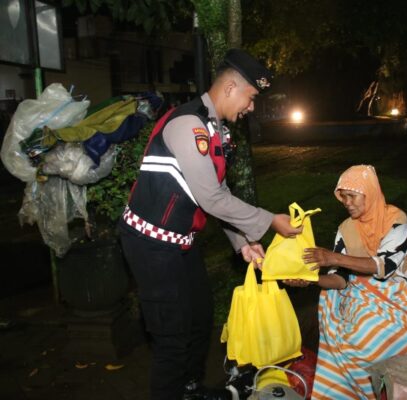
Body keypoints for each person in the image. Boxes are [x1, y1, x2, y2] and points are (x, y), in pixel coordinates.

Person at [118, 48, 302, 400]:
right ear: (231, 87)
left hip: (180, 242)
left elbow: (218, 192)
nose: (250, 107)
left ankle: (190, 390)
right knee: (172, 336)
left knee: (200, 318)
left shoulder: (214, 129)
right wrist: (268, 221)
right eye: (251, 97)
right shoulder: (189, 124)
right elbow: (212, 199)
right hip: (151, 244)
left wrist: (242, 243)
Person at [285, 165, 407, 399]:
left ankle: (372, 388)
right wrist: (311, 280)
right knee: (342, 331)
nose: (347, 202)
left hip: (398, 295)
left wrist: (333, 257)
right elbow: (340, 280)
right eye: (343, 197)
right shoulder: (346, 228)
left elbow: (383, 267)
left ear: (369, 193)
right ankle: (352, 391)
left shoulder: (395, 218)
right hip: (359, 294)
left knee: (364, 339)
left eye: (352, 196)